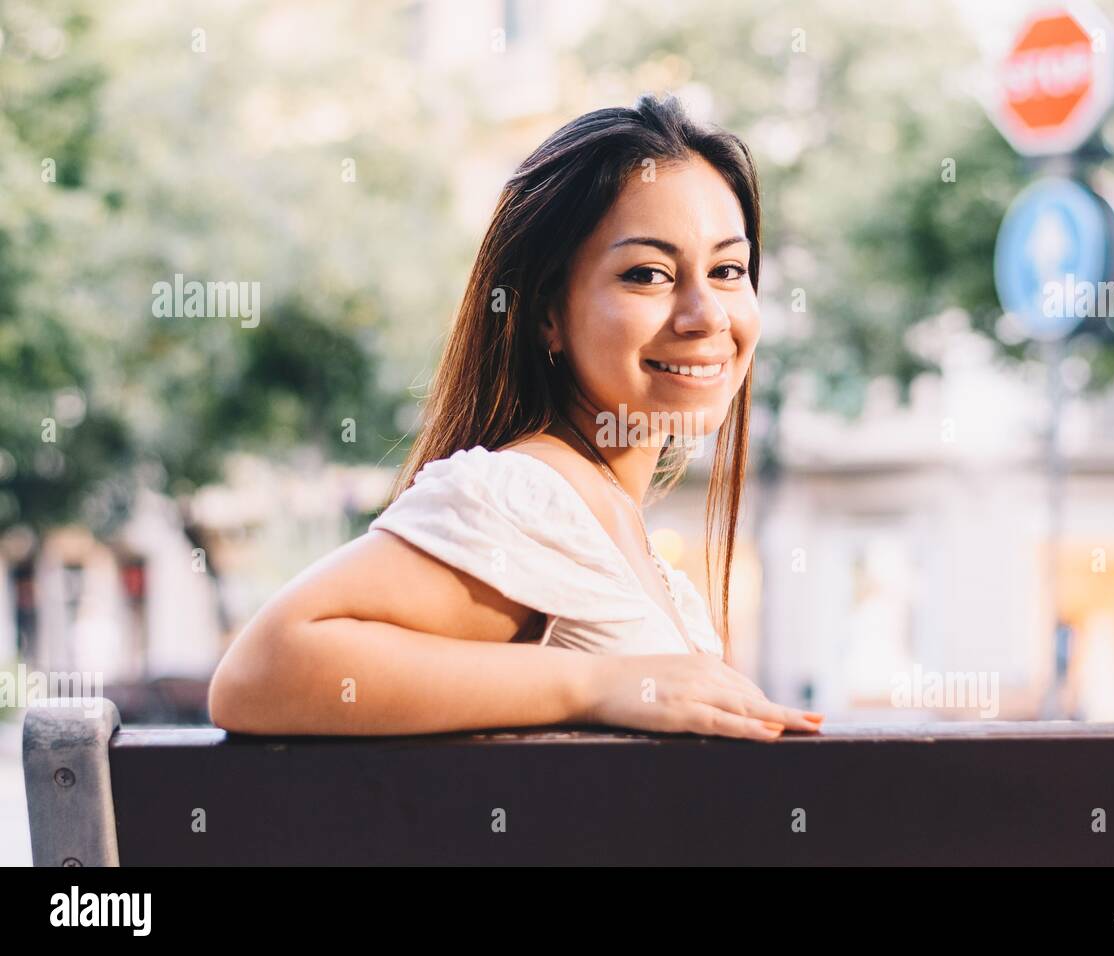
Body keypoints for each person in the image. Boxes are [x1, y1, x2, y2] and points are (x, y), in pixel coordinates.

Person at [208, 93, 825, 742]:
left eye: (728, 269)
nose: (707, 315)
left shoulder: (614, 530)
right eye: (647, 274)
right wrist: (599, 685)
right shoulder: (528, 497)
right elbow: (262, 671)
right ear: (546, 315)